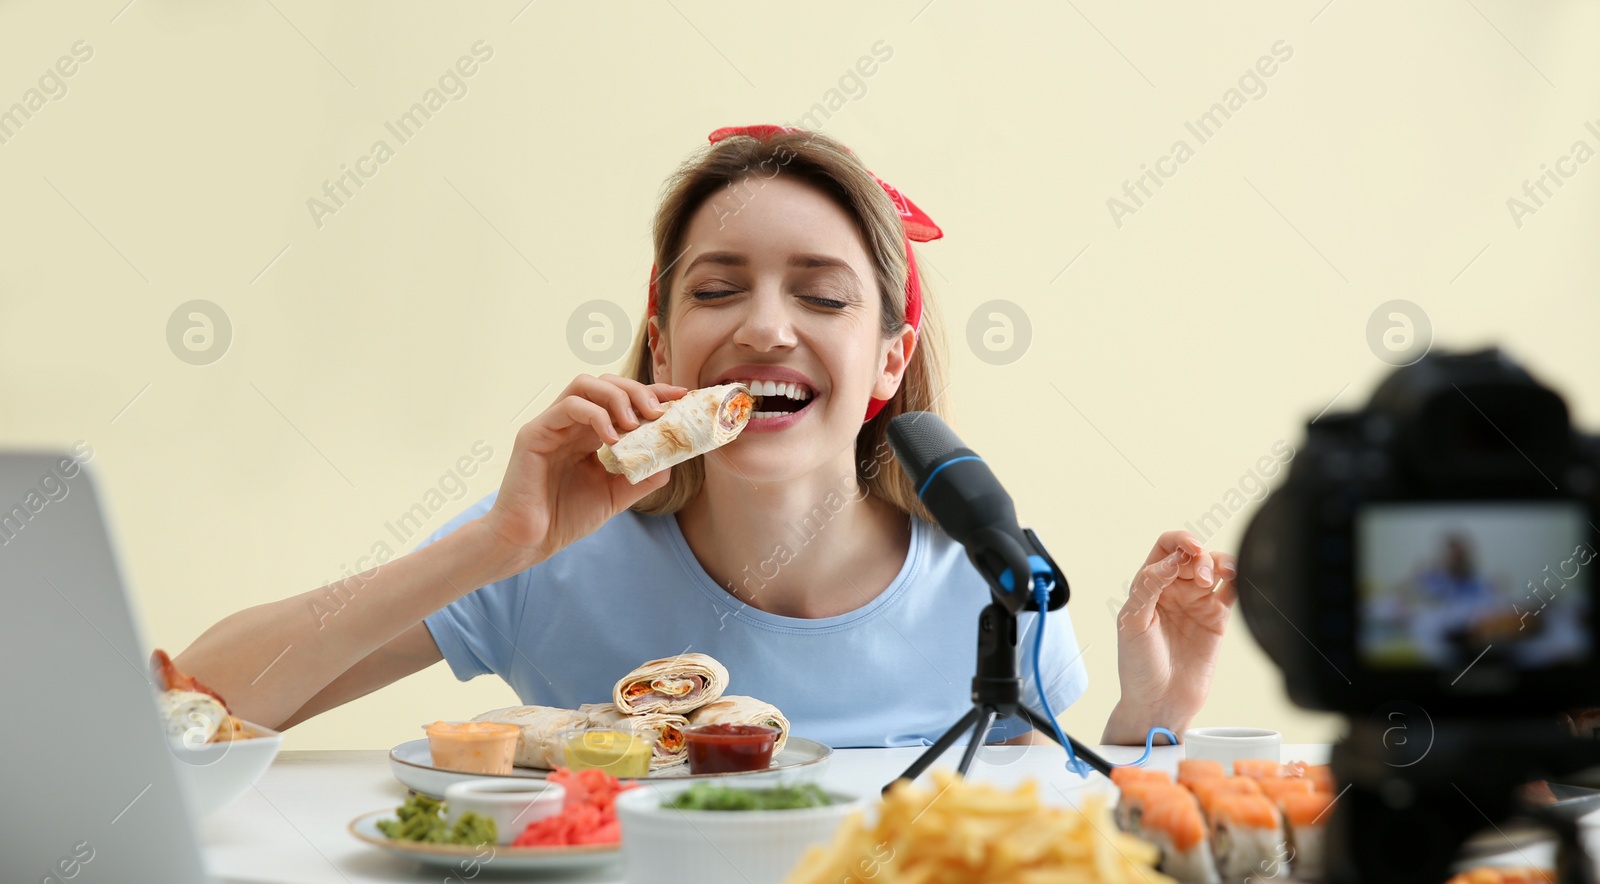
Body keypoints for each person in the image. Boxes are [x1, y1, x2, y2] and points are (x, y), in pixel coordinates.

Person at [173, 126, 1237, 751]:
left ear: (886, 360)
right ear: (664, 344)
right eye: (717, 289)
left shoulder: (997, 587)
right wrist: (493, 544)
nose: (764, 325)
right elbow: (198, 703)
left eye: (822, 297)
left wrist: (1153, 712)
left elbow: (1052, 853)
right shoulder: (550, 553)